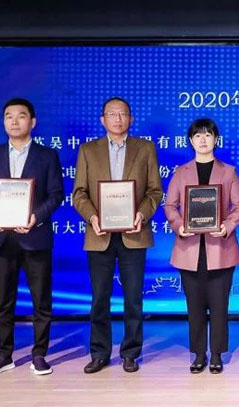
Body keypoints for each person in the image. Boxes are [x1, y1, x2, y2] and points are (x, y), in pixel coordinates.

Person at [72, 97, 163, 374]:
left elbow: (155, 191)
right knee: (100, 297)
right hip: (99, 234)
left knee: (133, 297)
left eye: (123, 114)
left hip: (133, 233)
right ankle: (99, 353)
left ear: (131, 118)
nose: (118, 119)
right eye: (112, 114)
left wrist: (141, 215)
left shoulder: (145, 148)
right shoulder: (88, 150)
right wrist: (92, 217)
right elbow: (79, 193)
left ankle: (131, 352)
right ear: (103, 120)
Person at [0, 98, 64, 377]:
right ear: (3, 122)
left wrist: (35, 216)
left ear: (32, 122)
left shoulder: (47, 156)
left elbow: (56, 195)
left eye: (21, 116)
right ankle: (4, 355)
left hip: (35, 237)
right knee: (3, 301)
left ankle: (39, 354)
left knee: (41, 300)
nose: (14, 121)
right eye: (8, 116)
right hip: (1, 238)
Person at [163, 118, 239, 374]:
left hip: (220, 248)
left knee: (219, 305)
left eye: (208, 135)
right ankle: (199, 354)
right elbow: (170, 205)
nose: (203, 140)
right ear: (190, 141)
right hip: (189, 249)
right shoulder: (181, 172)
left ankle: (217, 354)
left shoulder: (228, 172)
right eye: (198, 135)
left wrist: (227, 226)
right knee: (195, 306)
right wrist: (179, 226)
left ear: (216, 139)